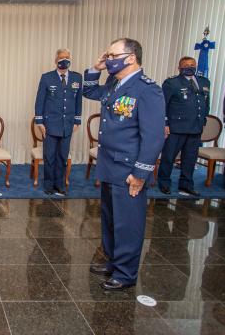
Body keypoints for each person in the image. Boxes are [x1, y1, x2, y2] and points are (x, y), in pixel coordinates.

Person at [83, 38, 165, 290]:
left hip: (129, 169)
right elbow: (88, 91)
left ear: (131, 57)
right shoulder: (113, 83)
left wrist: (141, 173)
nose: (108, 59)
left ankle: (126, 274)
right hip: (109, 164)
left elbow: (153, 136)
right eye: (107, 55)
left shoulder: (147, 89)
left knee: (128, 223)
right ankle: (113, 261)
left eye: (112, 55)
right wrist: (96, 68)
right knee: (109, 218)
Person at [158, 56, 210, 196]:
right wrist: (165, 123)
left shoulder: (204, 82)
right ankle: (164, 183)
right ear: (179, 68)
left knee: (190, 159)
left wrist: (203, 119)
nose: (189, 67)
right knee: (169, 157)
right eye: (186, 65)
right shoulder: (171, 83)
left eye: (192, 65)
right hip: (176, 127)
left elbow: (206, 103)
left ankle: (186, 185)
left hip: (195, 127)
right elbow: (163, 105)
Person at [34, 48, 82, 195]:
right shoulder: (47, 77)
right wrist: (40, 122)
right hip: (50, 125)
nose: (64, 60)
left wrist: (77, 121)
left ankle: (59, 185)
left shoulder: (77, 78)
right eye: (61, 58)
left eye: (67, 57)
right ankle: (48, 185)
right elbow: (39, 101)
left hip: (67, 125)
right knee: (49, 156)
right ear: (56, 60)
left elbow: (78, 100)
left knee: (62, 156)